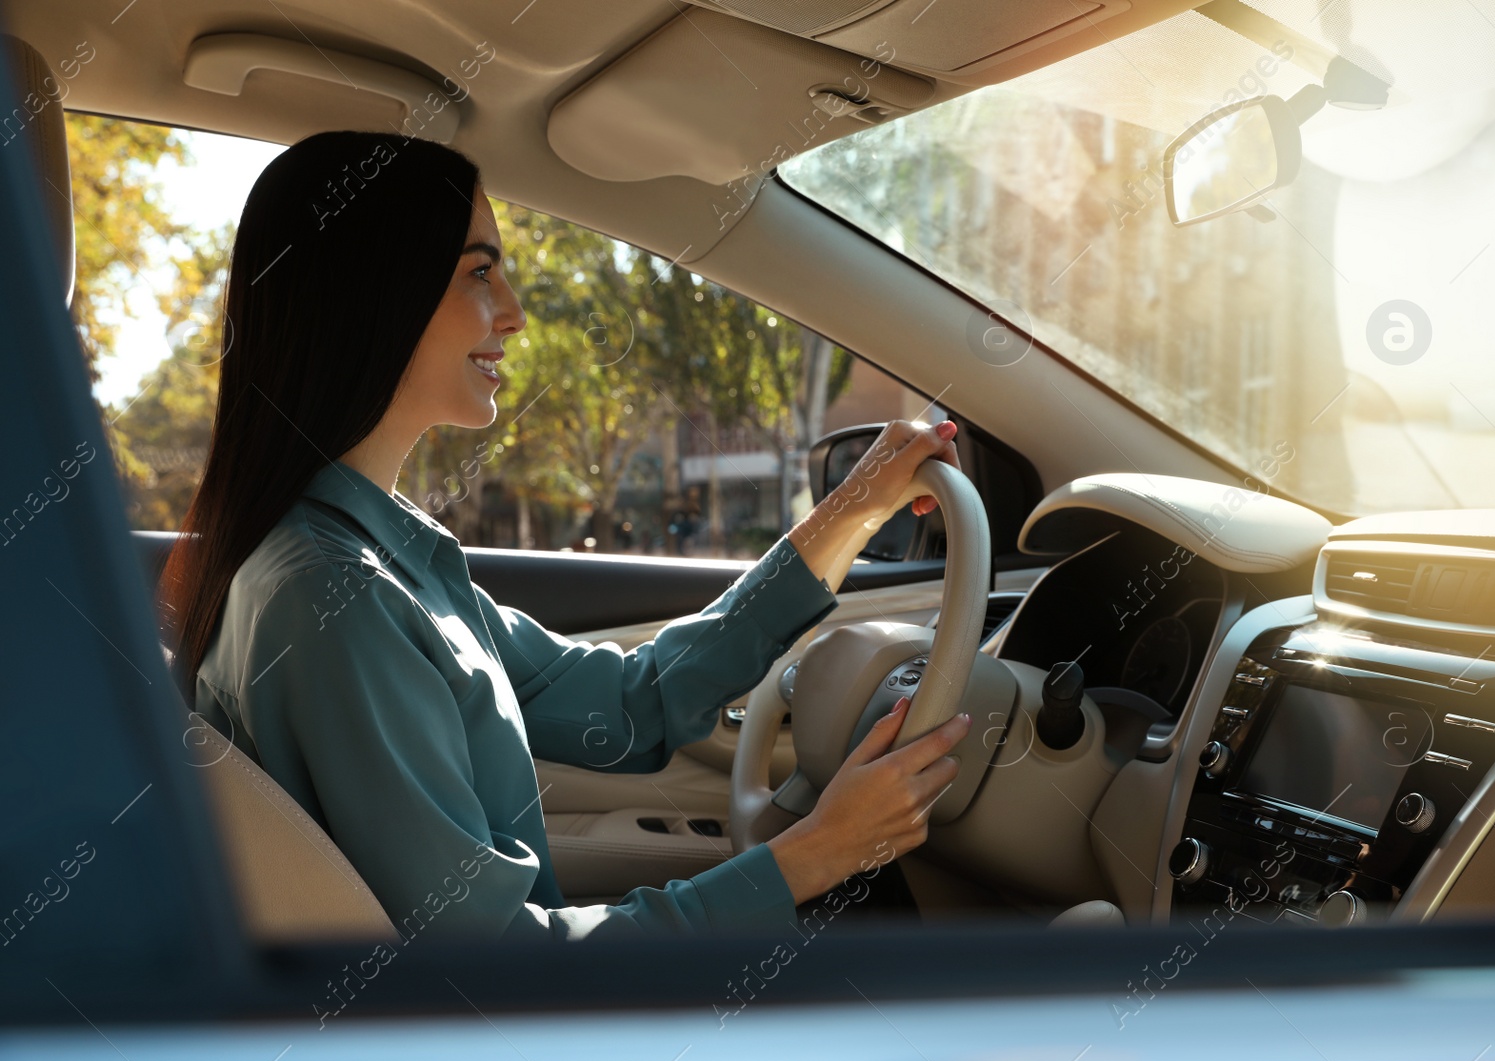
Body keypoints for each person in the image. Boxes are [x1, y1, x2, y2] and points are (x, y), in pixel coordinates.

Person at [159, 130, 969, 942]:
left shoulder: (376, 560)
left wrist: (853, 510)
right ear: (376, 294)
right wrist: (816, 854)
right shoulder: (332, 597)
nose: (513, 312)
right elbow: (495, 972)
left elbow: (634, 703)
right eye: (480, 272)